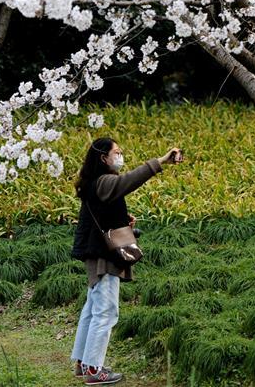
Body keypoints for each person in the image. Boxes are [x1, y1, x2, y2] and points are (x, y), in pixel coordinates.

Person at [69, 137, 183, 385]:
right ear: (103, 158)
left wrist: (122, 219)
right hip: (103, 256)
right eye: (116, 152)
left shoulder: (94, 182)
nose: (120, 156)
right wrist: (160, 161)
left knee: (92, 310)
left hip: (95, 252)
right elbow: (127, 182)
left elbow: (102, 212)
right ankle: (93, 370)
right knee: (106, 312)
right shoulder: (105, 181)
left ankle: (82, 363)